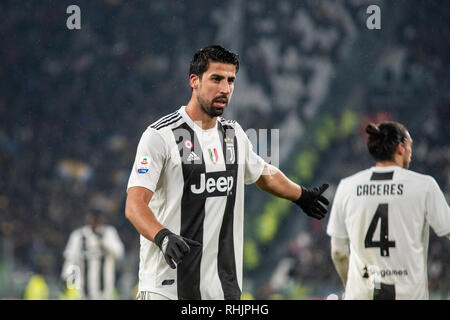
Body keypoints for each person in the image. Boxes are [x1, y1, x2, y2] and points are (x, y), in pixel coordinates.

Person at [125, 44, 330, 300]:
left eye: (231, 80)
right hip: (166, 289)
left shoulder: (233, 135)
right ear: (194, 81)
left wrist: (300, 195)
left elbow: (263, 173)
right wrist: (163, 236)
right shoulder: (159, 136)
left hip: (223, 291)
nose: (225, 89)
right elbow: (134, 205)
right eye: (216, 79)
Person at [327, 121, 450, 300]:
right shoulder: (424, 185)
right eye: (410, 146)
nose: (411, 152)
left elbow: (338, 252)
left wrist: (350, 285)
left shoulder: (347, 187)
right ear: (400, 147)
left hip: (362, 294)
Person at [61, 210, 124, 300]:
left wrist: (104, 241)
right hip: (83, 291)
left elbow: (119, 253)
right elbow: (70, 258)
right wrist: (66, 276)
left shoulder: (109, 233)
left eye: (96, 220)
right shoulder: (78, 236)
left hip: (105, 292)